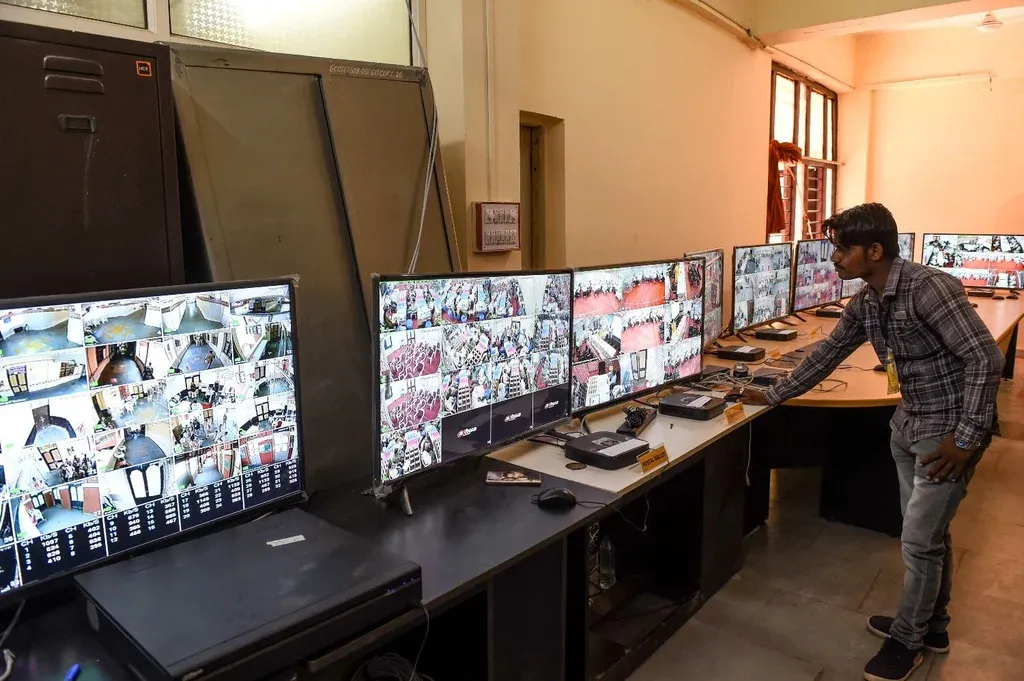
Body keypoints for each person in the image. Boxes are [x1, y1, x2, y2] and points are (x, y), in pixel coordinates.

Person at [733, 204, 1003, 681]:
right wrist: (772, 395)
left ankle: (907, 640)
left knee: (918, 542)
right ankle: (933, 627)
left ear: (875, 251)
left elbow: (985, 358)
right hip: (909, 425)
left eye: (843, 248)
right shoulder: (867, 301)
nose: (834, 258)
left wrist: (965, 440)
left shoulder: (928, 288)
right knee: (929, 537)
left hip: (947, 435)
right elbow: (828, 354)